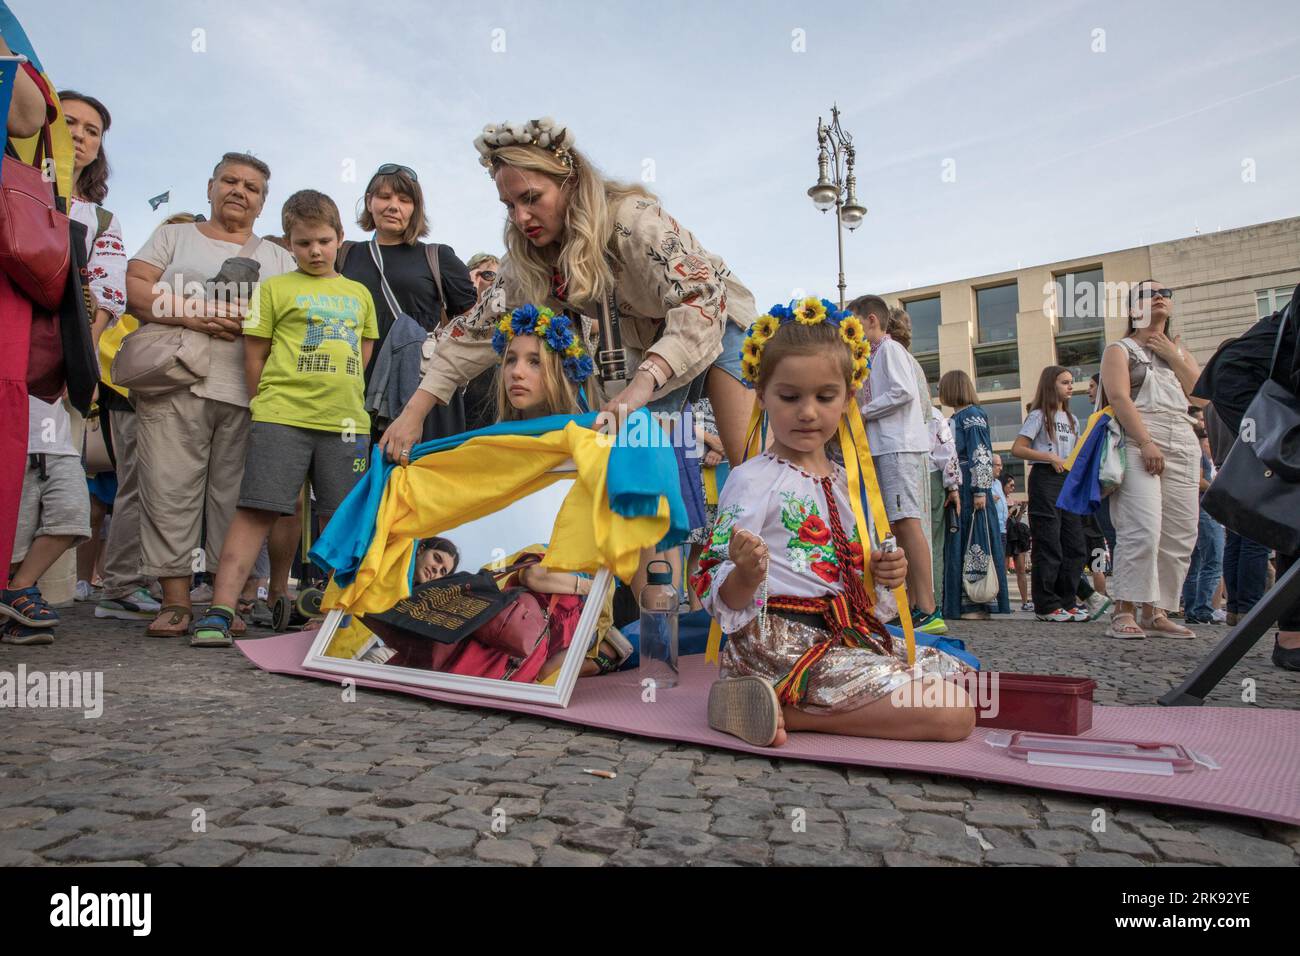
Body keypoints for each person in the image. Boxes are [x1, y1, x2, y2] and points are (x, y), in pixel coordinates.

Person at [379, 117, 757, 474]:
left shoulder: (632, 219)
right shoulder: (525, 263)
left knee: (746, 466)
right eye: (510, 206)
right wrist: (412, 415)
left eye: (531, 198)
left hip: (718, 323)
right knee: (634, 467)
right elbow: (474, 334)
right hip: (642, 345)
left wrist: (641, 386)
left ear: (570, 182)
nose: (521, 217)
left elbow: (701, 295)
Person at [693, 303, 975, 749]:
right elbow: (711, 579)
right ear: (761, 395)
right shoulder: (752, 479)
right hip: (778, 644)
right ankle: (779, 703)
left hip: (844, 636)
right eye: (790, 397)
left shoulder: (851, 485)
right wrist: (745, 575)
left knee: (965, 675)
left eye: (825, 397)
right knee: (952, 711)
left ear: (849, 399)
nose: (808, 412)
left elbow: (864, 592)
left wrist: (885, 576)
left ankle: (781, 706)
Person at [189, 191, 378, 647]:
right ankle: (219, 610)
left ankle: (344, 614)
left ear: (340, 239)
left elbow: (364, 351)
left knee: (343, 517)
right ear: (289, 244)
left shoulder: (359, 294)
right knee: (257, 509)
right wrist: (265, 406)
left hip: (346, 424)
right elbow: (254, 355)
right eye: (303, 242)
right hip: (282, 417)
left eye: (324, 241)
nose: (315, 251)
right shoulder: (275, 289)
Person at [126, 153, 297, 637]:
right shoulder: (172, 236)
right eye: (230, 181)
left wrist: (251, 323)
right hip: (176, 378)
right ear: (210, 187)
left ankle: (227, 603)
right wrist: (193, 313)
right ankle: (176, 600)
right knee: (167, 487)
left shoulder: (279, 257)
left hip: (248, 392)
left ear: (263, 202)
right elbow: (136, 288)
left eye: (252, 187)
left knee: (235, 499)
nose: (239, 191)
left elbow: (293, 318)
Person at [339, 164, 477, 440]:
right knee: (358, 478)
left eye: (404, 200)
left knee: (424, 475)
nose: (393, 206)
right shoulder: (345, 255)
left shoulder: (438, 256)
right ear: (369, 202)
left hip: (421, 388)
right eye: (384, 197)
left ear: (416, 209)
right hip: (353, 387)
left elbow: (476, 324)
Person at [1102, 280, 1204, 639]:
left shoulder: (1179, 350)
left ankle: (1156, 610)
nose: (1159, 297)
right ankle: (1124, 607)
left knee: (1180, 532)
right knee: (1141, 527)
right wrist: (1145, 441)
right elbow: (1118, 397)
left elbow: (1203, 398)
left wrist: (1175, 357)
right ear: (1134, 309)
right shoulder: (1120, 349)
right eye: (1148, 294)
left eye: (1165, 294)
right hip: (1140, 438)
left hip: (1182, 439)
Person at [853, 297, 944, 634]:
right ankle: (910, 602)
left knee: (907, 521)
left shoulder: (889, 351)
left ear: (872, 320)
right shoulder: (877, 355)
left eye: (855, 324)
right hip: (887, 447)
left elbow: (903, 392)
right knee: (896, 523)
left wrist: (864, 411)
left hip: (897, 446)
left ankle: (928, 607)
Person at [1011, 366, 1090, 623]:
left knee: (1075, 543)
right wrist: (1047, 456)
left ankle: (1067, 600)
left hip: (1068, 480)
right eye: (1065, 382)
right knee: (1049, 541)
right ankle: (1046, 603)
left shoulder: (1073, 420)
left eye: (1071, 382)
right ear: (1051, 384)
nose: (1070, 386)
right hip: (1045, 477)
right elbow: (1018, 448)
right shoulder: (1038, 416)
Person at [940, 370, 1010, 621]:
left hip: (971, 489)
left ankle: (975, 602)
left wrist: (980, 490)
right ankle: (967, 601)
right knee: (967, 540)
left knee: (974, 541)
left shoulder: (972, 417)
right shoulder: (961, 416)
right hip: (963, 483)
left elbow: (981, 453)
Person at [1180, 424, 1224, 624]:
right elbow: (1198, 481)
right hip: (1204, 508)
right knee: (1213, 560)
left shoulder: (1191, 451)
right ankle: (1202, 609)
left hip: (1193, 507)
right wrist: (1220, 487)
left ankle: (1192, 609)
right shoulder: (1197, 452)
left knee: (1195, 561)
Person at [462, 252, 503, 431]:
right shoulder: (454, 309)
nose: (494, 281)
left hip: (497, 396)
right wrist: (469, 290)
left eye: (499, 276)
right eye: (488, 275)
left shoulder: (507, 310)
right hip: (464, 397)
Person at [1002, 474, 1032, 609]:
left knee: (1021, 570)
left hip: (1016, 536)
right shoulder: (999, 498)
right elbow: (1003, 518)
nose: (1013, 488)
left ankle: (1025, 602)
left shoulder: (1011, 500)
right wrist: (1013, 509)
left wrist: (1022, 509)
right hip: (1005, 535)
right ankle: (1003, 600)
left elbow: (1015, 520)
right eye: (1011, 485)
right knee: (1003, 569)